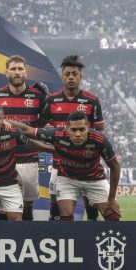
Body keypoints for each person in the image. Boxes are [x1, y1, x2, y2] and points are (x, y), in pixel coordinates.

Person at [8, 111, 120, 221]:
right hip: (67, 179)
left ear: (88, 127)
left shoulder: (99, 140)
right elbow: (27, 130)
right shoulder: (57, 135)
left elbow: (115, 166)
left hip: (95, 180)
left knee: (112, 214)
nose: (78, 134)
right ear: (67, 129)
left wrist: (111, 198)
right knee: (66, 215)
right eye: (73, 130)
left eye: (82, 129)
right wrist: (2, 121)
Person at [40, 55, 104, 221]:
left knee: (92, 213)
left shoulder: (91, 100)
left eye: (74, 74)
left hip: (87, 164)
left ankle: (90, 235)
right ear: (62, 76)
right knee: (56, 211)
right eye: (67, 74)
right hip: (59, 163)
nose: (70, 77)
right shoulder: (52, 99)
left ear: (80, 76)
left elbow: (100, 133)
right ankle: (59, 239)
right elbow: (41, 126)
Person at [0, 55, 47, 220]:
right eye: (13, 69)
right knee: (2, 207)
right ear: (6, 72)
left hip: (30, 159)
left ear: (26, 72)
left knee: (28, 207)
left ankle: (25, 240)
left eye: (20, 69)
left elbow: (43, 125)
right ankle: (2, 242)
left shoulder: (37, 96)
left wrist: (47, 99)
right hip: (4, 159)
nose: (17, 72)